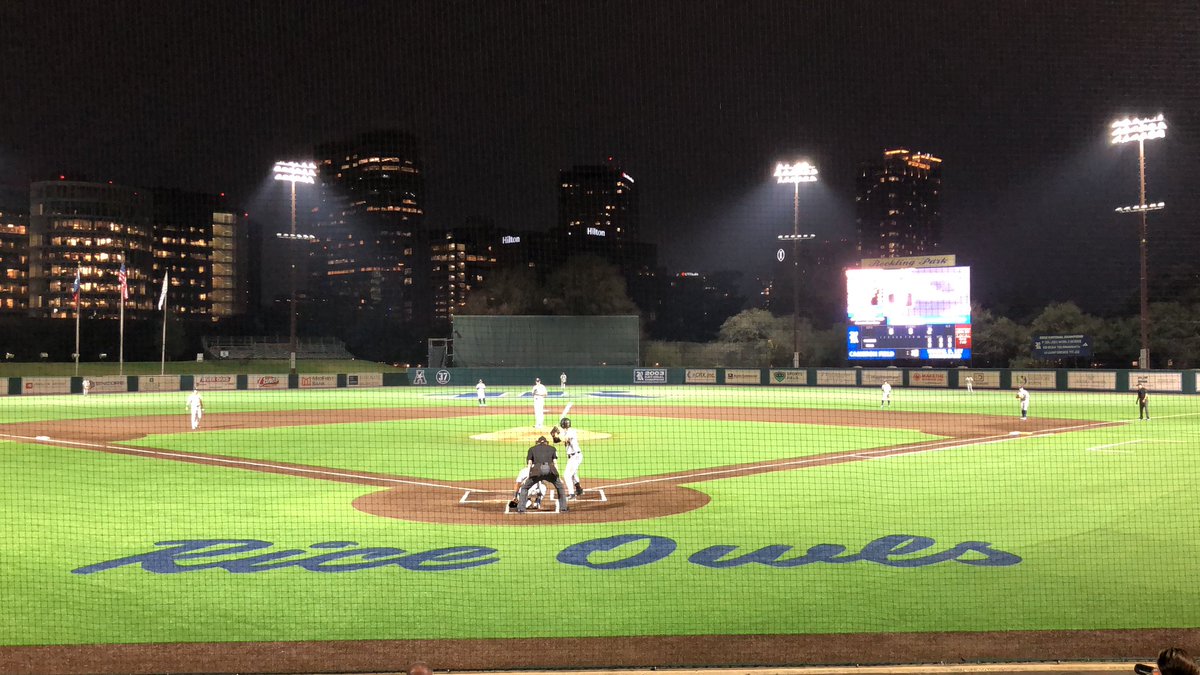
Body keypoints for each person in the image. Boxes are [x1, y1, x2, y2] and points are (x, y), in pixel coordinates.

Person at [516, 436, 568, 513]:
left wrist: (528, 476)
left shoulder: (532, 449)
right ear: (546, 442)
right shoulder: (552, 448)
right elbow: (555, 463)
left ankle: (521, 509)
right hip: (550, 470)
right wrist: (558, 476)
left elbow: (529, 464)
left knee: (525, 488)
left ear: (538, 442)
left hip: (537, 470)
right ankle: (563, 508)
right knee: (560, 487)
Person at [552, 416, 583, 498]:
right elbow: (556, 441)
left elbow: (566, 439)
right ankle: (579, 489)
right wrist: (553, 436)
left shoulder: (571, 432)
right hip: (573, 456)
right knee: (573, 473)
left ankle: (572, 494)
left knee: (567, 475)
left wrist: (558, 433)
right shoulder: (566, 432)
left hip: (575, 456)